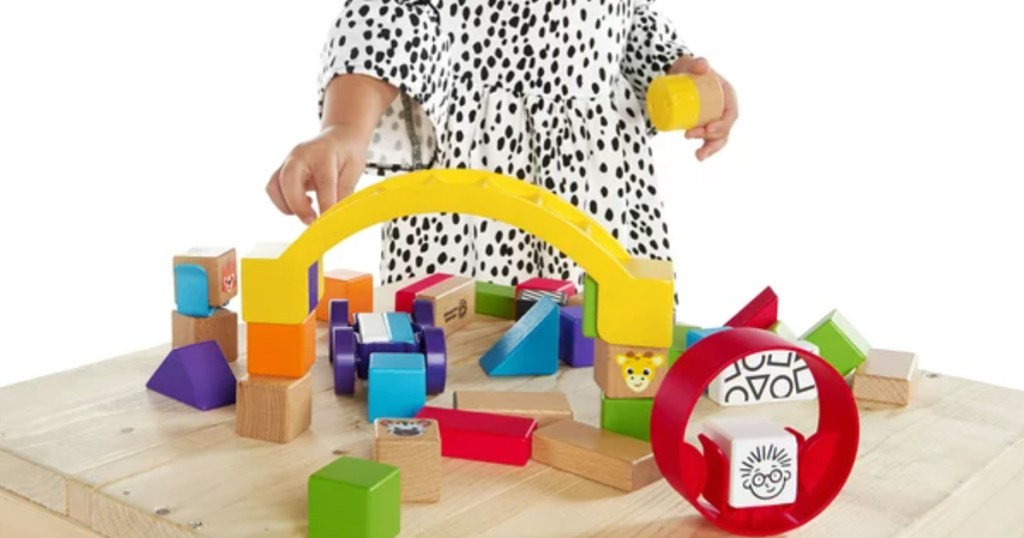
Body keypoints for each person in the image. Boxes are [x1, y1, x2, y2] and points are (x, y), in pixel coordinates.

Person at [266, 0, 738, 287]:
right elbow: (392, 21)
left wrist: (681, 72)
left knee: (615, 349)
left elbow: (630, 20)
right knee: (456, 347)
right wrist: (345, 127)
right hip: (471, 187)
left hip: (598, 182)